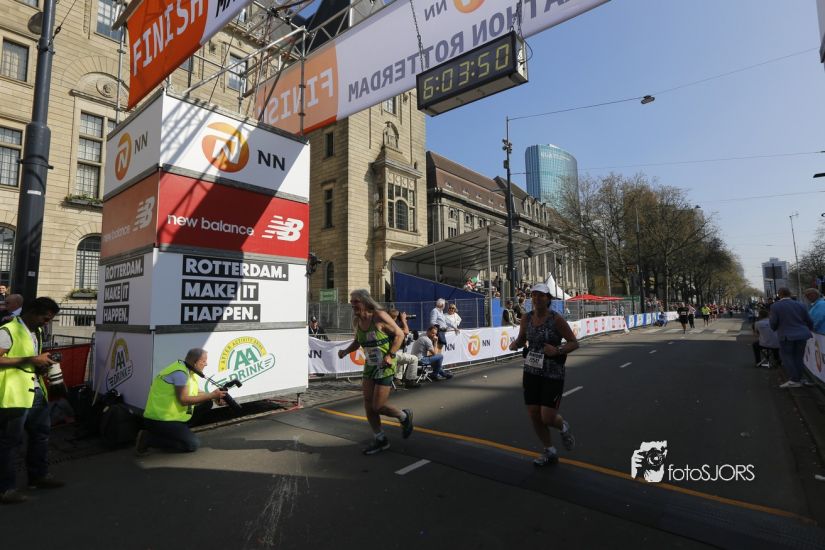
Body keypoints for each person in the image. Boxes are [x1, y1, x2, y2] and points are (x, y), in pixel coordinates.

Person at [509, 283, 578, 467]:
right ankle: (549, 451)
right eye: (534, 295)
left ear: (548, 299)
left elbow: (573, 342)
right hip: (531, 370)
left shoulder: (556, 319)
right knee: (534, 414)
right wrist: (516, 344)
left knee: (547, 417)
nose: (537, 298)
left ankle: (563, 426)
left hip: (552, 372)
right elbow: (522, 338)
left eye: (541, 295)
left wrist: (557, 350)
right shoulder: (526, 318)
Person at [0, 297, 61, 504]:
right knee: (10, 442)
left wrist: (41, 366)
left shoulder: (37, 332)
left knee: (41, 435)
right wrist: (32, 360)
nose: (47, 322)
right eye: (45, 318)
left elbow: (31, 359)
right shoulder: (8, 330)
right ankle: (6, 489)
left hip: (35, 391)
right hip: (14, 396)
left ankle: (38, 476)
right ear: (32, 312)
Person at [337, 290, 414, 454]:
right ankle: (380, 439)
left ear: (365, 301)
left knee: (378, 406)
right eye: (351, 302)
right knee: (368, 403)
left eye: (355, 301)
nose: (352, 304)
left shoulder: (379, 316)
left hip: (386, 364)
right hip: (370, 365)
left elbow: (400, 334)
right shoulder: (358, 320)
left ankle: (404, 416)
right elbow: (358, 342)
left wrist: (390, 355)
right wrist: (345, 351)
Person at [136, 348, 227, 455]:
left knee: (207, 403)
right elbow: (184, 400)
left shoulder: (188, 371)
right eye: (204, 361)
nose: (206, 364)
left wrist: (214, 397)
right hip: (159, 420)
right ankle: (148, 439)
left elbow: (197, 392)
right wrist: (211, 395)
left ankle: (179, 433)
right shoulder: (180, 374)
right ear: (195, 362)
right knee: (192, 445)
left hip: (172, 418)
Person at [769, 287, 814, 388]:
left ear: (779, 295)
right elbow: (809, 320)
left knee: (786, 357)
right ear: (789, 294)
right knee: (799, 357)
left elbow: (773, 322)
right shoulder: (800, 304)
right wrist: (809, 329)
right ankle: (799, 378)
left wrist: (774, 328)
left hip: (786, 335)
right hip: (802, 334)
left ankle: (794, 380)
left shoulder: (775, 306)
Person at [388, 309, 421, 389]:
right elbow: (406, 331)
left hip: (389, 353)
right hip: (391, 354)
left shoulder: (386, 324)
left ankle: (397, 379)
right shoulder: (391, 325)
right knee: (414, 359)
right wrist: (403, 320)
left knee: (403, 358)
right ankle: (410, 381)